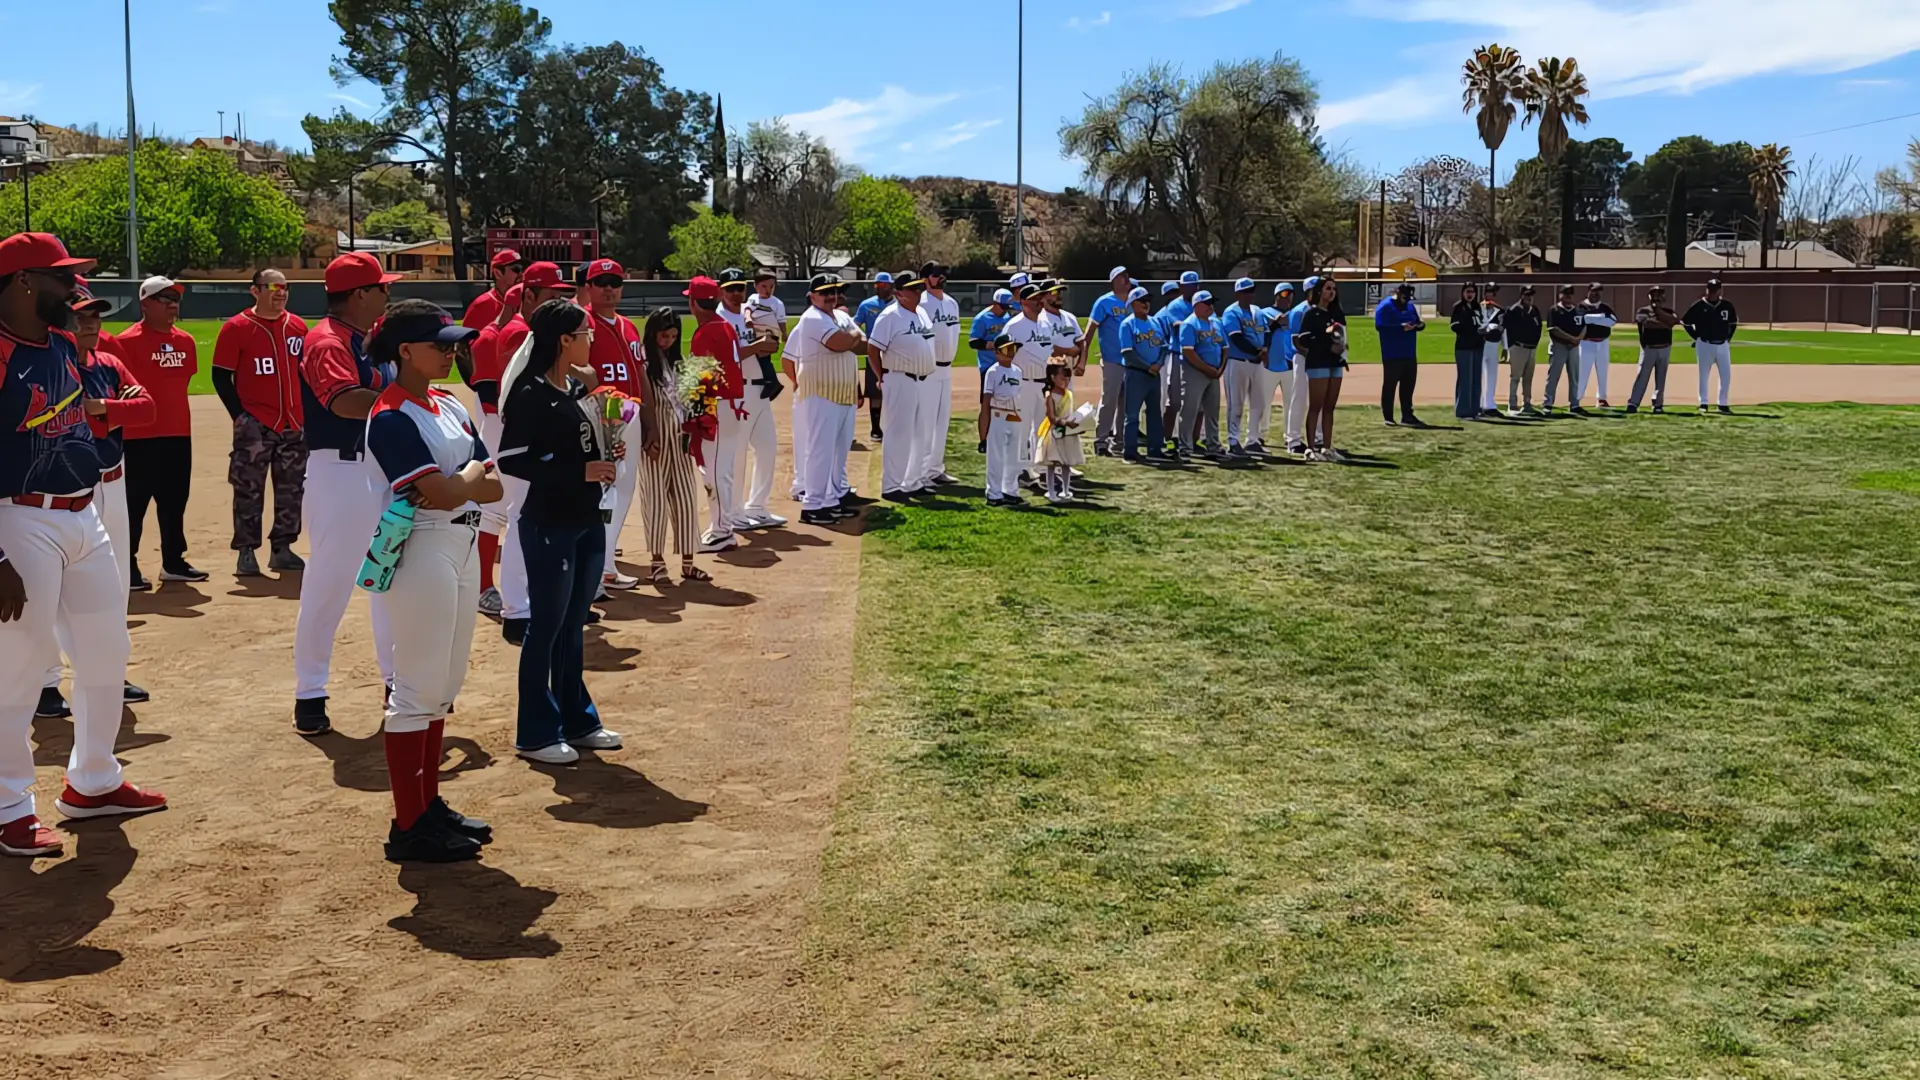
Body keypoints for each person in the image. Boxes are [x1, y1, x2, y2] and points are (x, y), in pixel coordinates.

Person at [0, 232, 167, 858]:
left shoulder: (66, 346)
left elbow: (109, 415)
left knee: (105, 654)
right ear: (22, 282)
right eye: (60, 277)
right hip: (18, 519)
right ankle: (9, 805)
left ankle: (93, 780)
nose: (74, 288)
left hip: (83, 515)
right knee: (17, 668)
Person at [361, 301, 501, 863]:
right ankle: (408, 824)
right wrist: (462, 480)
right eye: (440, 343)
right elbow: (440, 493)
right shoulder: (391, 414)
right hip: (421, 548)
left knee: (444, 686)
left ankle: (428, 804)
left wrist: (459, 481)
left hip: (460, 545)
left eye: (452, 342)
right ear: (403, 352)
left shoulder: (448, 404)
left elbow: (489, 486)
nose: (451, 351)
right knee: (416, 691)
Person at [496, 299, 623, 765]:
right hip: (549, 519)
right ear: (564, 340)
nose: (591, 339)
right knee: (546, 626)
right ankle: (534, 732)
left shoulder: (569, 386)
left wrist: (605, 453)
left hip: (585, 517)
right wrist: (579, 470)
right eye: (584, 332)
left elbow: (576, 449)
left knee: (573, 624)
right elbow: (511, 460)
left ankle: (578, 719)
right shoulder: (530, 392)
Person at [290, 252, 401, 736]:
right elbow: (343, 401)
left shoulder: (369, 340)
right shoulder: (325, 341)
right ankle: (309, 692)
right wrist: (407, 403)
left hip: (380, 470)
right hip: (341, 471)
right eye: (381, 287)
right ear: (359, 294)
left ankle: (397, 682)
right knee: (329, 584)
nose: (387, 294)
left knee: (392, 578)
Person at [40, 279, 154, 721]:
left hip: (114, 481)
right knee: (50, 593)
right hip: (70, 487)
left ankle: (107, 671)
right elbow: (79, 423)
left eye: (95, 316)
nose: (90, 323)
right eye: (81, 315)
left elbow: (145, 409)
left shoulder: (107, 362)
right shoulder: (56, 365)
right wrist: (109, 411)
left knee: (116, 581)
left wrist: (106, 407)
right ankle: (47, 681)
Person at [495, 263, 580, 642]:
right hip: (518, 437)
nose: (559, 299)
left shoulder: (545, 353)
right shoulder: (520, 337)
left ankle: (537, 602)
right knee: (521, 521)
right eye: (551, 294)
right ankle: (515, 607)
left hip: (533, 438)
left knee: (539, 523)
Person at [212, 268, 309, 577]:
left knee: (292, 489)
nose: (279, 293)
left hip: (294, 421)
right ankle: (246, 550)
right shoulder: (237, 327)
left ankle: (282, 548)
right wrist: (239, 416)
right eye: (272, 287)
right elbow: (220, 376)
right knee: (248, 489)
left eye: (284, 288)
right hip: (256, 422)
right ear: (255, 291)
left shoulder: (298, 326)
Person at [112, 275, 204, 588]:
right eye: (163, 299)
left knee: (175, 500)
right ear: (145, 304)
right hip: (138, 436)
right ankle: (128, 565)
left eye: (175, 298)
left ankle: (173, 562)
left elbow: (182, 383)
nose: (172, 304)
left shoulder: (185, 341)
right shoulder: (125, 342)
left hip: (178, 433)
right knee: (134, 505)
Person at [577, 258, 649, 592]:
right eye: (601, 281)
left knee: (623, 489)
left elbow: (641, 373)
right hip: (601, 413)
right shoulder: (582, 323)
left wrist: (649, 420)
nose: (609, 288)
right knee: (603, 493)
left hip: (629, 412)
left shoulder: (628, 326)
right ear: (588, 287)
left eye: (615, 282)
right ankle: (595, 570)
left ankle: (605, 565)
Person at [635, 308, 714, 576]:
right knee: (655, 500)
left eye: (672, 335)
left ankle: (689, 563)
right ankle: (657, 561)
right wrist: (647, 434)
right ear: (652, 334)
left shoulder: (681, 363)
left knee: (685, 498)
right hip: (654, 439)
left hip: (681, 439)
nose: (667, 340)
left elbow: (692, 402)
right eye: (663, 335)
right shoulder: (644, 363)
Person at [789, 274, 866, 526]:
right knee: (820, 449)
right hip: (820, 392)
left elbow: (862, 345)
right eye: (825, 293)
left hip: (842, 392)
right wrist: (853, 335)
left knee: (837, 451)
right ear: (812, 296)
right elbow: (840, 342)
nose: (831, 297)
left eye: (834, 292)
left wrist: (851, 337)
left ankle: (830, 501)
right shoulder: (812, 317)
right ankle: (812, 505)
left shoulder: (841, 316)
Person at [715, 267, 785, 531]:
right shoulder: (720, 319)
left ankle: (757, 506)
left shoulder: (752, 311)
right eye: (730, 288)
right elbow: (727, 357)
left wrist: (770, 344)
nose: (736, 293)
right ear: (721, 290)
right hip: (738, 392)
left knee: (767, 448)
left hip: (760, 389)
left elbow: (769, 343)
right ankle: (734, 512)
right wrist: (756, 347)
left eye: (739, 288)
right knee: (738, 454)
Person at [470, 283, 520, 616]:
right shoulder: (492, 337)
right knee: (493, 511)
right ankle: (484, 586)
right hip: (501, 429)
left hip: (519, 428)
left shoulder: (526, 333)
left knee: (520, 509)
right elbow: (487, 393)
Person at [868, 268, 938, 499]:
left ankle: (913, 481)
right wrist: (881, 376)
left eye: (919, 288)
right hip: (900, 378)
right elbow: (873, 348)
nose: (918, 292)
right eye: (912, 289)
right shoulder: (890, 316)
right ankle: (892, 486)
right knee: (899, 433)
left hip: (924, 380)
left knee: (921, 433)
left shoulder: (922, 313)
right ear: (898, 293)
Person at [1000, 284, 1054, 485]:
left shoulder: (1045, 324)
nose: (1040, 301)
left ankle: (1038, 467)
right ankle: (1020, 469)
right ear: (1023, 303)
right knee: (1020, 429)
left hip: (1043, 383)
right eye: (1034, 298)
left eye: (1041, 297)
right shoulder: (1014, 326)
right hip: (1022, 383)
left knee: (1042, 428)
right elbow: (1003, 356)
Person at [917, 262, 962, 487]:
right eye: (936, 275)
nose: (941, 277)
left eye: (943, 274)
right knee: (926, 421)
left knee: (942, 421)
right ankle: (921, 473)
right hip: (929, 369)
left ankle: (936, 469)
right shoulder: (922, 304)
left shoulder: (952, 303)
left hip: (947, 368)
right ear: (925, 279)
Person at [1296, 277, 1349, 461]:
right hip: (1318, 362)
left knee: (1329, 407)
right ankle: (1311, 448)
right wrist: (1326, 343)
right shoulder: (1311, 314)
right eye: (1328, 288)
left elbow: (1343, 335)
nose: (1331, 292)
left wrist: (1342, 347)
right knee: (1316, 406)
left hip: (1335, 363)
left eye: (1334, 289)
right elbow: (1303, 339)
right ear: (1319, 291)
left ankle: (1327, 447)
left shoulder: (1338, 314)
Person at [1220, 277, 1273, 457]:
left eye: (1251, 291)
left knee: (1259, 404)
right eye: (1245, 291)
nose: (1249, 294)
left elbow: (1267, 332)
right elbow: (1236, 338)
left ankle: (1253, 440)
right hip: (1237, 362)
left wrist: (1265, 349)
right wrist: (1258, 352)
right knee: (1236, 405)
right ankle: (1233, 441)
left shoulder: (1257, 311)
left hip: (1257, 364)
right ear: (1238, 293)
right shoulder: (1231, 312)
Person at [1116, 286, 1167, 462]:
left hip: (1154, 374)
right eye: (1142, 300)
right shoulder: (1127, 324)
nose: (1147, 303)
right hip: (1136, 374)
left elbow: (1163, 347)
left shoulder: (1155, 322)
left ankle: (1155, 449)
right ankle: (1130, 451)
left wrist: (1158, 364)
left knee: (1154, 413)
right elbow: (1128, 353)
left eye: (1148, 300)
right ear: (1132, 304)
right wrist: (1148, 367)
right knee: (1132, 415)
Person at [1087, 265, 1133, 456]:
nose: (1126, 279)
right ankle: (1101, 440)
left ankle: (1120, 440)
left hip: (1131, 360)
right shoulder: (1104, 302)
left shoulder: (1134, 301)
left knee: (1127, 402)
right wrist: (1083, 357)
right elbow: (1090, 330)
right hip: (1112, 359)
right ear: (1114, 280)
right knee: (1110, 400)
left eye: (1127, 276)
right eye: (1122, 276)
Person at [1176, 290, 1226, 459]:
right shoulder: (1190, 324)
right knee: (1189, 410)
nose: (1211, 306)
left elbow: (1225, 347)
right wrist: (1208, 369)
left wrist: (1220, 369)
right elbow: (1188, 352)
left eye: (1212, 303)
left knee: (1212, 411)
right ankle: (1185, 447)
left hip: (1214, 373)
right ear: (1196, 305)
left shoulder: (1216, 323)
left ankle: (1213, 444)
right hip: (1194, 372)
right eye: (1207, 303)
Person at [980, 331, 1026, 507]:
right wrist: (983, 431)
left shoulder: (1018, 371)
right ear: (997, 352)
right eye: (1007, 349)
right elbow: (986, 401)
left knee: (1013, 457)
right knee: (996, 456)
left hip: (1015, 414)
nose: (1012, 353)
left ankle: (1010, 490)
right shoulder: (993, 372)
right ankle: (994, 492)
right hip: (998, 414)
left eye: (1013, 349)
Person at [1374, 282, 1425, 427]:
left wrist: (1419, 325)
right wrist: (1400, 328)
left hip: (1409, 351)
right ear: (1397, 294)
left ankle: (1407, 415)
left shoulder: (1409, 306)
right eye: (1404, 298)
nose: (1407, 301)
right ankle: (1388, 416)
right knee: (1390, 385)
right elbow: (1380, 326)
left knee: (1408, 385)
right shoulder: (1385, 307)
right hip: (1392, 353)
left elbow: (1416, 321)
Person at [1684, 277, 1738, 414]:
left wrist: (1728, 338)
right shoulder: (1699, 305)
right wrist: (1696, 337)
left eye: (1716, 289)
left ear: (1720, 290)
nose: (1714, 292)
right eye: (1711, 289)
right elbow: (1685, 322)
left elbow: (1733, 323)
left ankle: (1723, 403)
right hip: (1704, 344)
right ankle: (1704, 402)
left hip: (1722, 344)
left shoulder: (1727, 305)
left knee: (1726, 375)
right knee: (1703, 374)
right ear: (1707, 289)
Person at [1159, 271, 1199, 449]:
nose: (1191, 289)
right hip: (1177, 355)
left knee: (1197, 403)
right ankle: (1167, 438)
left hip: (1199, 356)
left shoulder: (1201, 303)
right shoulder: (1174, 306)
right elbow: (1177, 327)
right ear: (1182, 287)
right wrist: (1196, 326)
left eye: (1194, 285)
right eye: (1188, 286)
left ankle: (1193, 440)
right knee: (1174, 401)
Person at [1035, 363, 1085, 502]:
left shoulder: (1069, 394)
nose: (1066, 381)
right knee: (1051, 463)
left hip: (1067, 434)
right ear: (1053, 377)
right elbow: (1051, 417)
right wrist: (1066, 423)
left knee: (1066, 464)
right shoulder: (1049, 396)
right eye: (1063, 378)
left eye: (1068, 379)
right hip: (1054, 434)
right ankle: (1051, 491)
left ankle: (1065, 490)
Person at [853, 272, 894, 442]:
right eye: (877, 285)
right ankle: (876, 427)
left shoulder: (898, 305)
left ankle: (892, 426)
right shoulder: (866, 305)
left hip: (894, 353)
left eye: (883, 285)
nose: (880, 288)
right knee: (875, 393)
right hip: (874, 353)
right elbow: (855, 325)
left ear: (891, 286)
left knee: (895, 390)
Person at [1255, 282, 1296, 450]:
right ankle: (1259, 435)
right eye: (1285, 295)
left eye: (1291, 295)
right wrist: (1275, 323)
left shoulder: (1294, 314)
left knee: (1291, 403)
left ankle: (1291, 436)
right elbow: (1261, 334)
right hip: (1268, 365)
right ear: (1277, 296)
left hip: (1289, 365)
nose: (1288, 299)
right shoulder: (1264, 313)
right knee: (1263, 403)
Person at [1628, 285, 1681, 414]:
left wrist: (1659, 313)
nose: (1656, 297)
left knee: (1661, 378)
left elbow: (1674, 320)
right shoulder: (1642, 311)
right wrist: (1665, 324)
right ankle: (1633, 403)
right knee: (1642, 376)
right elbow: (1648, 324)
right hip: (1648, 349)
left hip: (1664, 348)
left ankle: (1658, 404)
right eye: (1654, 294)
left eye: (1659, 294)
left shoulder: (1669, 311)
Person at [1284, 278, 1318, 455]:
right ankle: (1293, 440)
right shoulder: (1299, 311)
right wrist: (1313, 354)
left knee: (1319, 399)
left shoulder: (1323, 310)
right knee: (1299, 398)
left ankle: (1318, 437)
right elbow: (1296, 340)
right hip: (1302, 358)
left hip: (1319, 359)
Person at [1544, 283, 1586, 415]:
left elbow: (1584, 326)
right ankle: (1548, 404)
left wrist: (1578, 338)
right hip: (1559, 346)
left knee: (1574, 377)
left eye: (1570, 293)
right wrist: (1571, 339)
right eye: (1565, 293)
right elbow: (1554, 329)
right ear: (1560, 294)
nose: (1568, 296)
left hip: (1573, 347)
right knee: (1553, 376)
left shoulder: (1578, 310)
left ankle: (1575, 404)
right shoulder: (1554, 310)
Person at [1447, 283, 1487, 420]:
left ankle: (1475, 409)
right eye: (1468, 291)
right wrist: (1471, 329)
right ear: (1463, 292)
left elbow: (1482, 322)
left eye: (1473, 292)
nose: (1470, 294)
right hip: (1464, 347)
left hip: (1477, 346)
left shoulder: (1478, 307)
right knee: (1465, 379)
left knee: (1476, 379)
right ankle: (1463, 411)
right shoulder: (1458, 307)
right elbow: (1454, 326)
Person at [1504, 284, 1543, 415]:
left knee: (1528, 378)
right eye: (1527, 295)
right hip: (1518, 347)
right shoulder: (1514, 310)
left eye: (1531, 295)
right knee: (1515, 377)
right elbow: (1506, 329)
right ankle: (1512, 404)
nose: (1529, 297)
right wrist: (1510, 347)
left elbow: (1538, 329)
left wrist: (1535, 345)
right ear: (1521, 295)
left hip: (1531, 349)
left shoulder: (1535, 310)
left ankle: (1527, 403)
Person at [461, 248, 523, 329]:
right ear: (498, 273)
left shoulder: (526, 302)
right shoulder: (481, 306)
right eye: (516, 269)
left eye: (523, 268)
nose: (522, 274)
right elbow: (468, 340)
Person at [1578, 282, 1618, 407]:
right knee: (1582, 373)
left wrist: (1592, 319)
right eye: (1594, 291)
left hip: (1603, 342)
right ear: (1588, 291)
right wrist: (1600, 318)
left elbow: (1612, 321)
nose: (1596, 293)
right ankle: (1576, 398)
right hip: (1586, 343)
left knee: (1603, 371)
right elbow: (1582, 319)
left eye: (1599, 291)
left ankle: (1601, 398)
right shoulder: (1581, 306)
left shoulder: (1605, 307)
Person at [969, 288, 1014, 395]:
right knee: (987, 400)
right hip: (988, 366)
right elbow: (973, 342)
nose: (1005, 311)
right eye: (1003, 307)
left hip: (1006, 365)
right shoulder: (981, 318)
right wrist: (995, 345)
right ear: (995, 304)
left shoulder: (1008, 317)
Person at [1479, 283, 1505, 417]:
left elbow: (1503, 329)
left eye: (1494, 293)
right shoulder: (1477, 308)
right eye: (1490, 292)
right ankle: (1477, 404)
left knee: (1492, 375)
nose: (1492, 295)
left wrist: (1505, 348)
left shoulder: (1500, 311)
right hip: (1479, 344)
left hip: (1494, 344)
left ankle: (1489, 404)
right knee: (1478, 375)